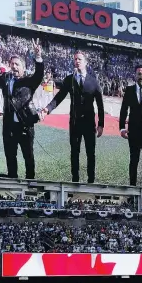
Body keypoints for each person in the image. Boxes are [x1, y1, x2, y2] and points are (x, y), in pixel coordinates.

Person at [0, 38, 44, 179]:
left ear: (23, 67)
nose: (14, 67)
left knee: (28, 157)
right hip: (9, 127)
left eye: (17, 64)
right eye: (12, 64)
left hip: (25, 127)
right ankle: (12, 181)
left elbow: (39, 74)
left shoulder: (30, 81)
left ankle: (30, 183)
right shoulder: (5, 79)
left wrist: (38, 57)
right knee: (10, 157)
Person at [42, 51, 105, 184]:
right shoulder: (69, 79)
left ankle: (91, 181)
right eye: (75, 59)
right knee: (74, 153)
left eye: (80, 59)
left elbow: (100, 105)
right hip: (75, 123)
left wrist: (101, 124)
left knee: (90, 153)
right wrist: (48, 108)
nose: (77, 61)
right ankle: (75, 180)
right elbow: (59, 97)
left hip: (89, 124)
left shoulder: (93, 82)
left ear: (86, 62)